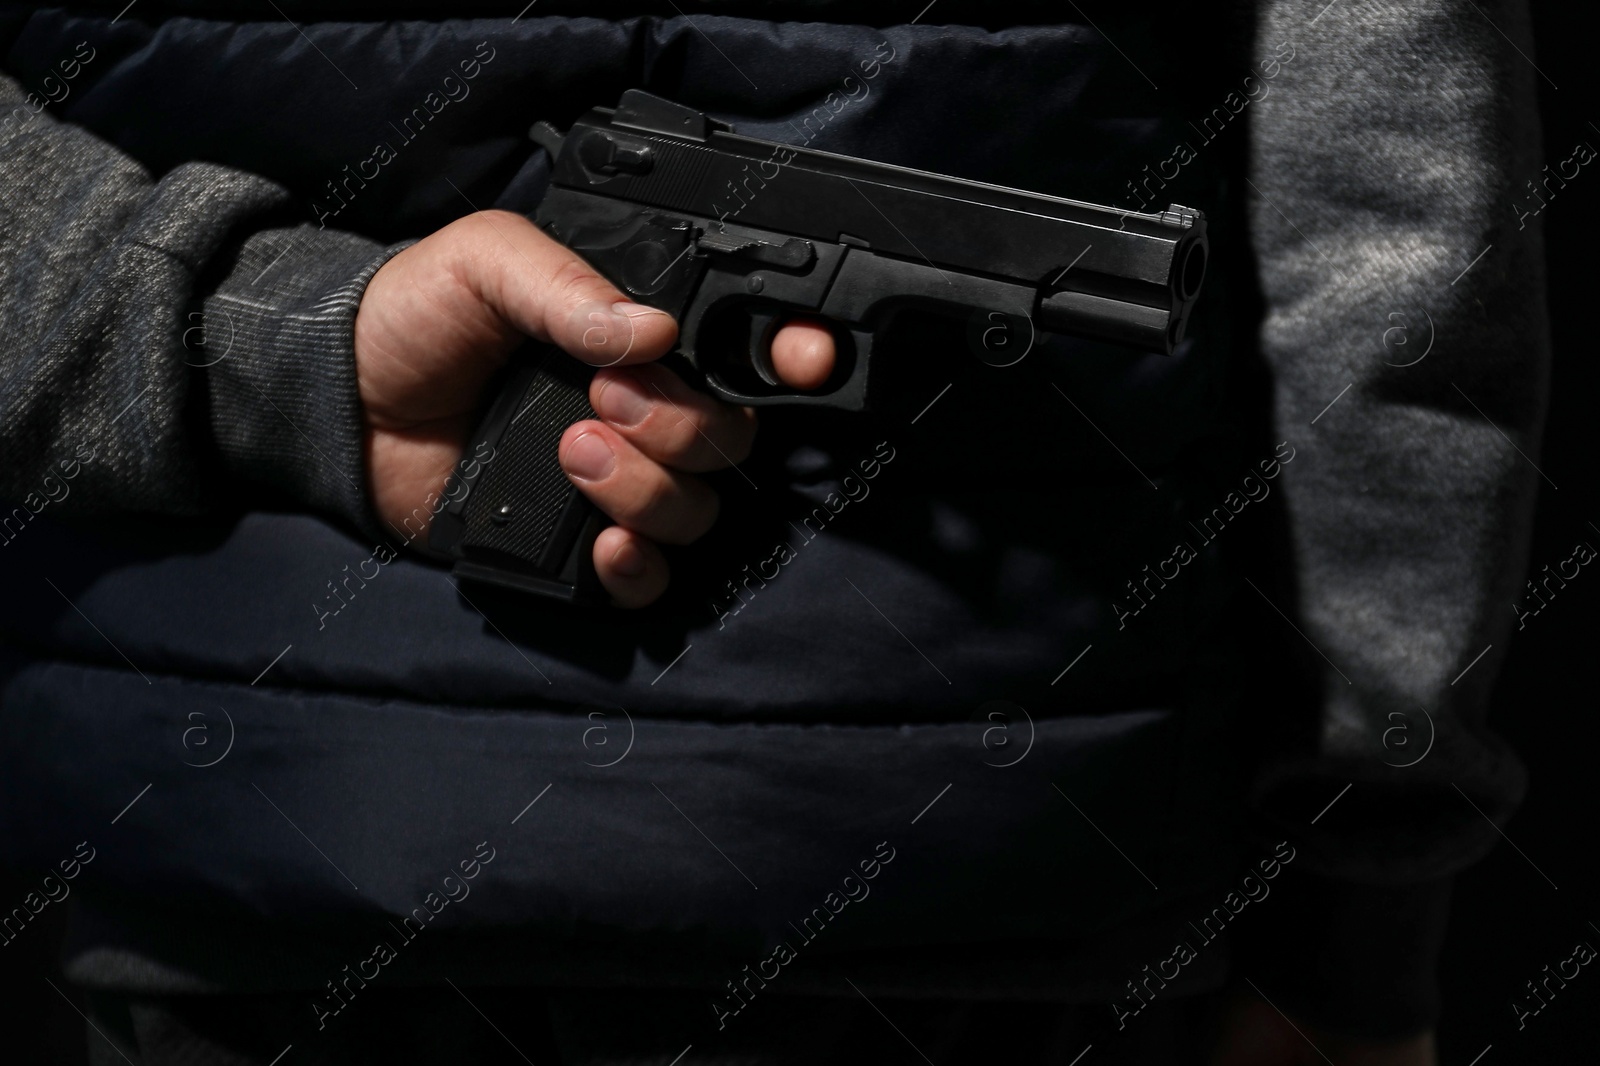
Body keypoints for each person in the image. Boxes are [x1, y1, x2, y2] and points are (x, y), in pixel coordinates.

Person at [0, 1, 1546, 1063]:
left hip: (246, 846)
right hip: (982, 893)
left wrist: (231, 333)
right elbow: (1399, 273)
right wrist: (1366, 908)